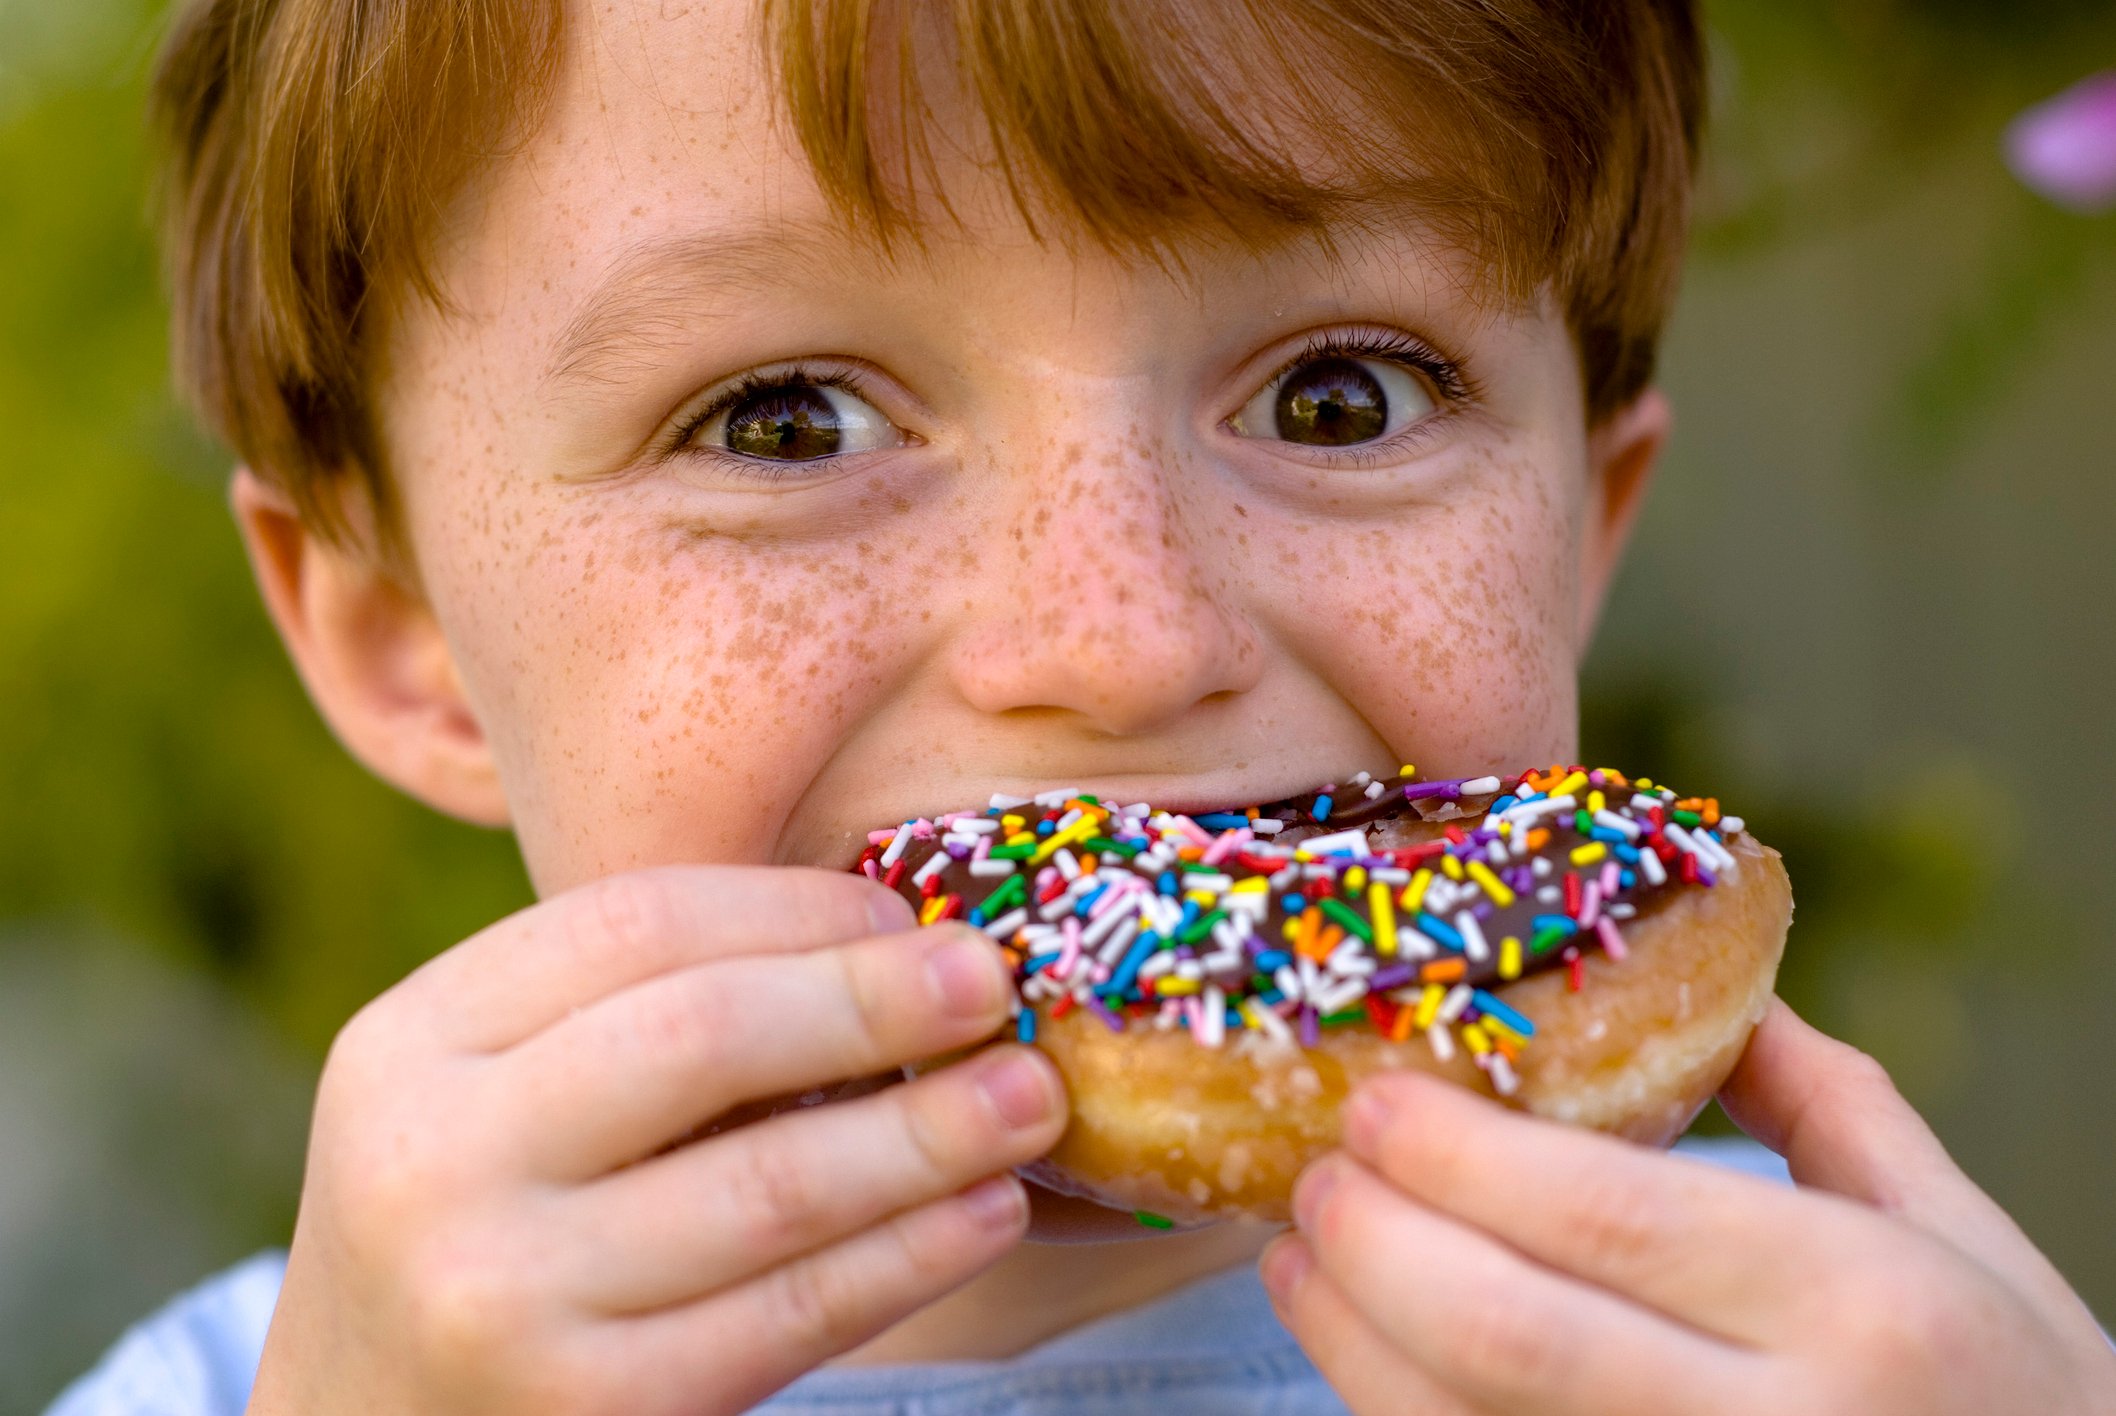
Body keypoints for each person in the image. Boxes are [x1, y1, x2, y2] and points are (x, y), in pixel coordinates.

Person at [51, 0, 2116, 1411]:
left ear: (1584, 525)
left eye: (1339, 394)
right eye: (781, 420)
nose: (1120, 640)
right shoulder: (284, 1386)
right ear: (402, 640)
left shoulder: (1821, 1359)